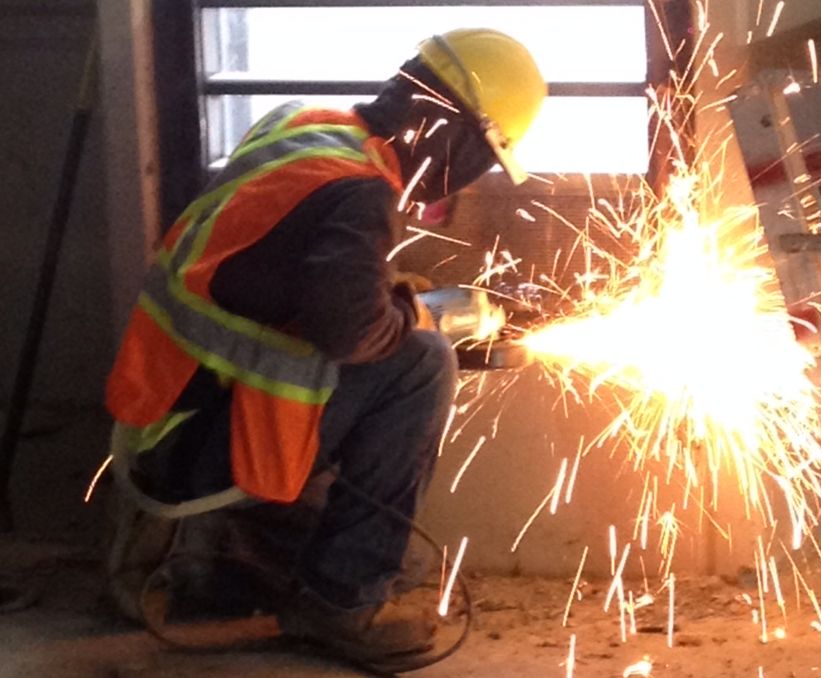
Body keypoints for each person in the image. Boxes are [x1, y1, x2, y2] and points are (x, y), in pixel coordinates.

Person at [103, 28, 546, 666]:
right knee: (424, 365)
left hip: (155, 424)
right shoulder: (363, 194)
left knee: (409, 557)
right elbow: (350, 334)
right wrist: (417, 319)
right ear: (456, 133)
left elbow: (270, 267)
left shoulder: (306, 126)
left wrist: (379, 291)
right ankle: (341, 603)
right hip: (199, 450)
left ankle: (254, 553)